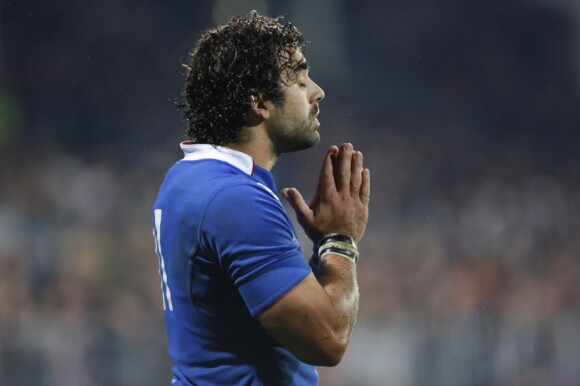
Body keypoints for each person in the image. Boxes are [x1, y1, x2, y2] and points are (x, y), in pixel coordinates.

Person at [152, 11, 370, 386]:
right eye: (300, 80)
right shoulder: (234, 200)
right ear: (258, 102)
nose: (317, 91)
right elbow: (328, 341)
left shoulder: (186, 177)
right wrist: (340, 242)